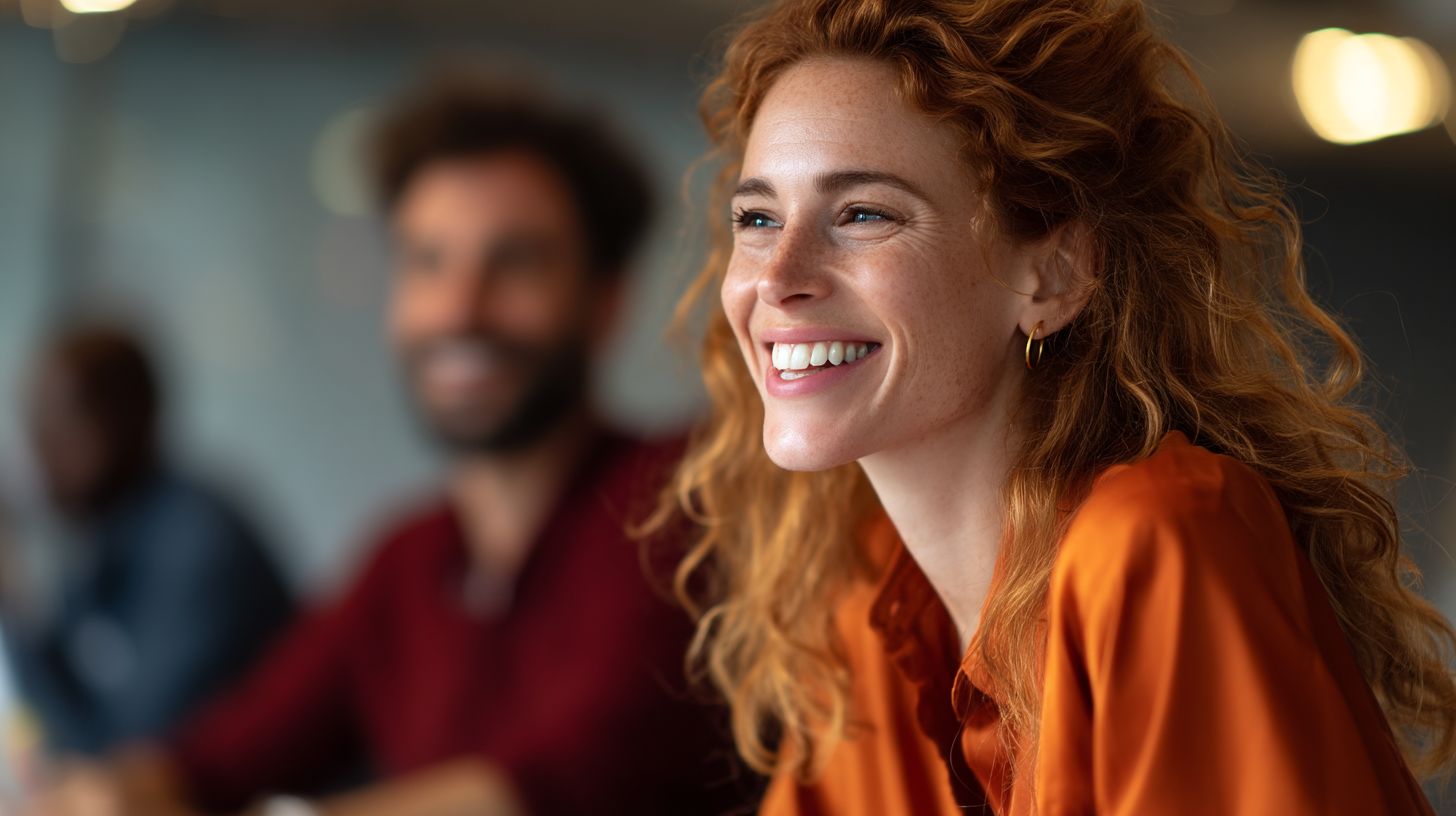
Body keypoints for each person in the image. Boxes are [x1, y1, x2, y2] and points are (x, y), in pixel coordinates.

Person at [650, 0, 1456, 813]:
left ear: (1056, 276)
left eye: (863, 214)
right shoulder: (870, 617)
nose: (778, 276)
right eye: (757, 218)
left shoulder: (1156, 540)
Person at [27, 72, 749, 816]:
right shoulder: (408, 561)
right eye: (427, 262)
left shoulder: (678, 503)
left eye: (516, 262)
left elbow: (564, 786)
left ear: (605, 302)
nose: (460, 308)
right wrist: (113, 793)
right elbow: (218, 757)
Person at [8, 325, 294, 756]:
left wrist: (15, 606)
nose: (37, 445)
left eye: (59, 417)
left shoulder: (197, 547)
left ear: (126, 416)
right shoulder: (99, 548)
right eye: (31, 420)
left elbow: (127, 764)